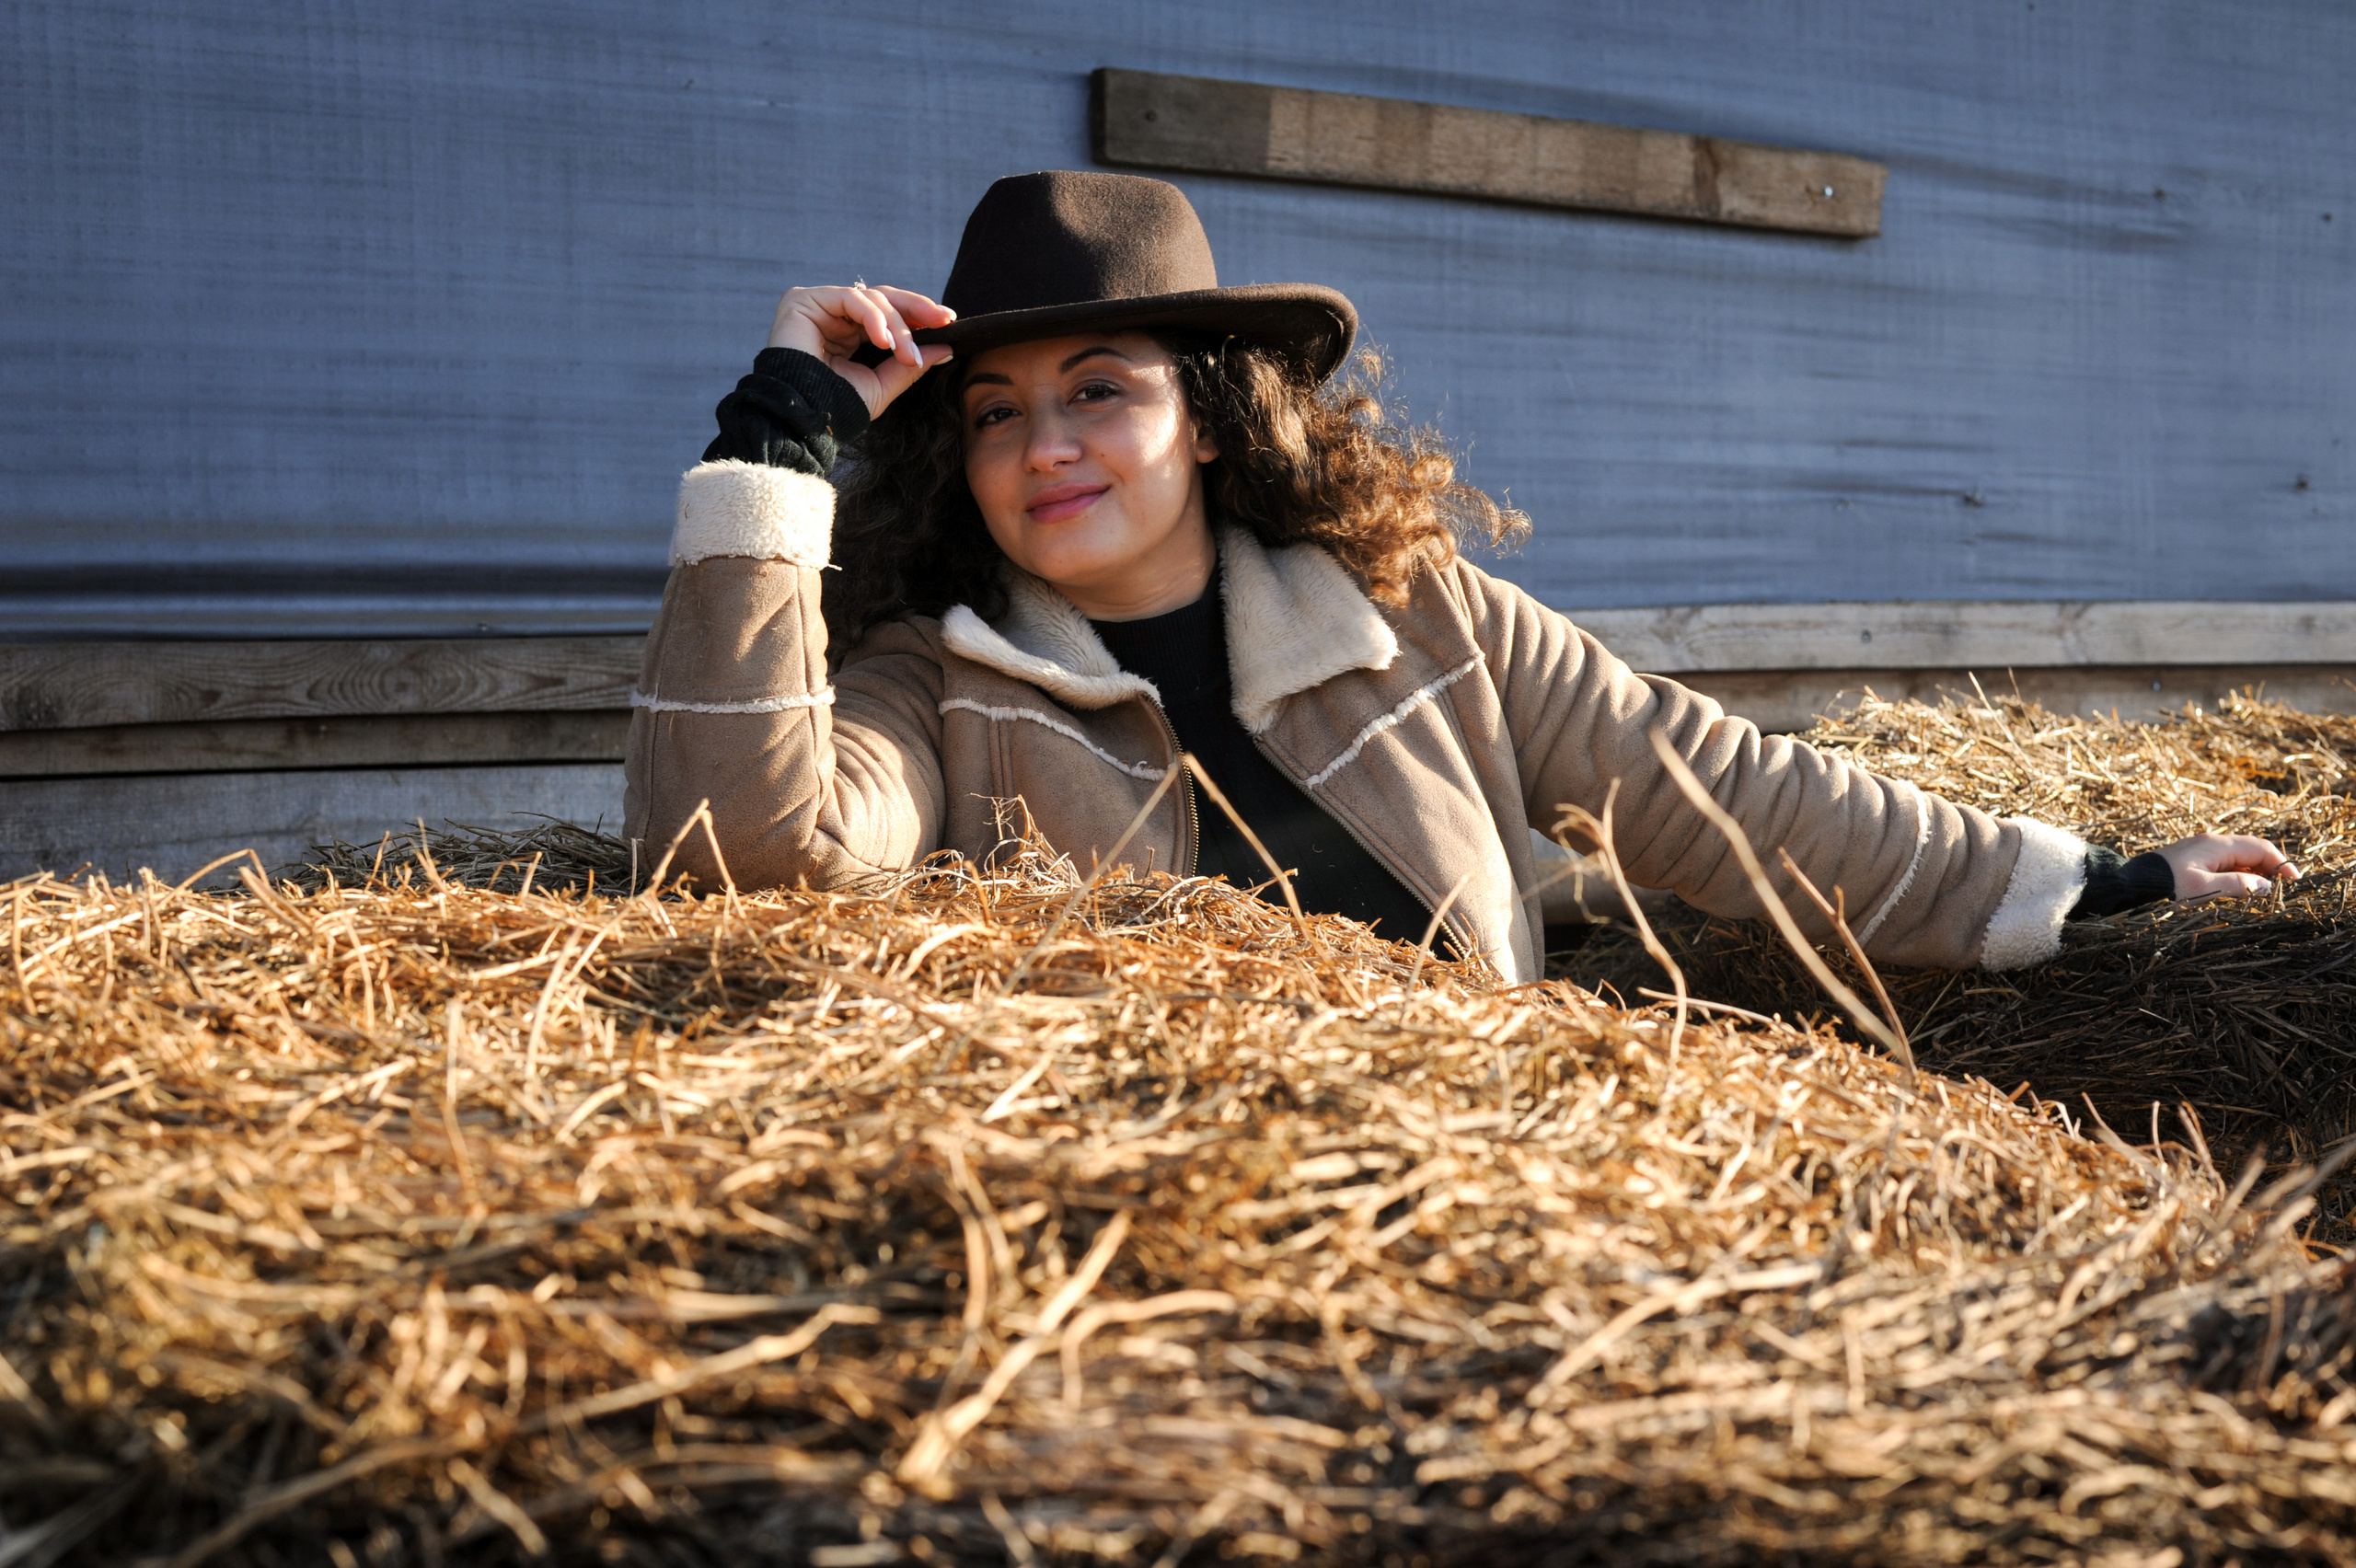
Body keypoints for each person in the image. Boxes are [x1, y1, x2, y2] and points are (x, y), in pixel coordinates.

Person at [624, 171, 2294, 983]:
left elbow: (1713, 790)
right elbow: (741, 866)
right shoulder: (942, 681)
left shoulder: (1414, 617)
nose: (1043, 445)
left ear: (1203, 420)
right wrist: (783, 446)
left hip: (1476, 1205)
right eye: (995, 413)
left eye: (1098, 391)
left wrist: (2092, 885)